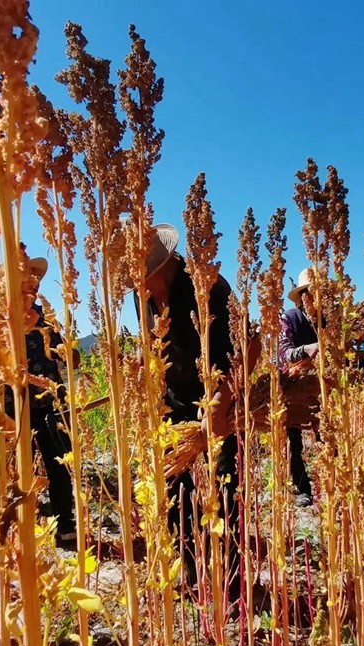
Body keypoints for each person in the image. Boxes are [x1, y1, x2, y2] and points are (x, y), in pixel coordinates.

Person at [132, 223, 259, 599]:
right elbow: (151, 342)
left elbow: (250, 345)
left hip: (219, 402)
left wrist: (223, 398)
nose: (137, 288)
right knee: (175, 494)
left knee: (221, 494)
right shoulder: (141, 294)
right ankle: (193, 575)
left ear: (162, 265)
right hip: (173, 404)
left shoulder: (206, 284)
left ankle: (232, 589)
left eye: (140, 276)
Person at [0, 250, 78, 546]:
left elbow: (63, 351)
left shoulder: (44, 318)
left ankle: (66, 524)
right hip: (12, 405)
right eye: (27, 277)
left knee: (59, 463)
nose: (34, 283)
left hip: (50, 403)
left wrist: (69, 354)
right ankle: (22, 523)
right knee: (17, 466)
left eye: (35, 279)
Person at [278, 267, 318, 504]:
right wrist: (307, 350)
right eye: (310, 293)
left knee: (327, 437)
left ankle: (332, 484)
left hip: (321, 387)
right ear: (303, 295)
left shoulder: (330, 319)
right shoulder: (289, 318)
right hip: (292, 387)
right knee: (293, 440)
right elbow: (282, 354)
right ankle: (303, 489)